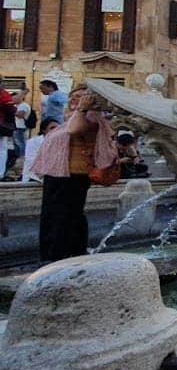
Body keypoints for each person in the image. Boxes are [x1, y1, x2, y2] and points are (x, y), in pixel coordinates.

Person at [32, 85, 118, 262]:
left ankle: (59, 257)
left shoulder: (91, 118)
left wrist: (82, 107)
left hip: (72, 174)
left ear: (91, 101)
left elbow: (74, 131)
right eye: (72, 96)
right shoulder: (70, 118)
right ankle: (64, 254)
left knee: (63, 217)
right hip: (58, 174)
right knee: (58, 215)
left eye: (80, 96)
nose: (73, 99)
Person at [22, 118, 58, 183]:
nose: (56, 130)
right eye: (52, 128)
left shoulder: (60, 143)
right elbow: (31, 161)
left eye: (58, 128)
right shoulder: (33, 142)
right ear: (43, 130)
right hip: (34, 177)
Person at [13, 90, 31, 159]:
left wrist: (11, 111)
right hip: (15, 126)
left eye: (14, 98)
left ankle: (22, 157)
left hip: (20, 126)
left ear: (20, 98)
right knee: (16, 143)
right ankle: (16, 157)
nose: (13, 100)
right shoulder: (16, 105)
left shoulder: (24, 105)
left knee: (20, 143)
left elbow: (20, 115)